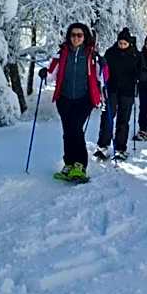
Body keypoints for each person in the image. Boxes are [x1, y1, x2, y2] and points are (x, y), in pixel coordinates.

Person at [39, 23, 102, 183]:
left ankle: (80, 164)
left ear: (85, 36)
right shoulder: (62, 53)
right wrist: (44, 74)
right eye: (73, 35)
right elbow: (51, 73)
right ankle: (68, 164)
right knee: (68, 131)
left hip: (84, 98)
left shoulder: (91, 55)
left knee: (75, 128)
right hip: (64, 98)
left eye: (79, 35)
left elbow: (102, 75)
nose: (76, 38)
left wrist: (105, 66)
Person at [95, 28, 140, 161]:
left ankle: (120, 148)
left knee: (123, 119)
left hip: (127, 91)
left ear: (129, 43)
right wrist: (102, 64)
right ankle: (102, 146)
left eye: (124, 43)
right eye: (120, 43)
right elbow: (103, 69)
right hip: (112, 89)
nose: (122, 46)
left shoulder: (135, 55)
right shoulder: (111, 52)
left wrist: (140, 74)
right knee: (108, 117)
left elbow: (142, 71)